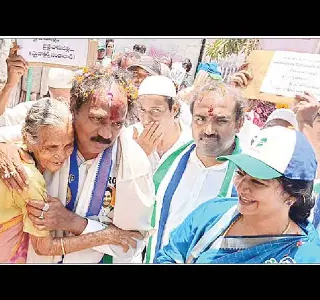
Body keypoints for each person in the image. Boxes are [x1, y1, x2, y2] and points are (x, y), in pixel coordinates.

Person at [0, 67, 156, 263]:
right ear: (74, 108)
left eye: (117, 124)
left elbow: (132, 242)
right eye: (97, 119)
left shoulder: (133, 164)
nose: (106, 134)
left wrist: (73, 222)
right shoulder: (53, 130)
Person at [155, 126, 320, 264]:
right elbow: (169, 255)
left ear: (292, 196)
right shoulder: (212, 213)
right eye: (240, 173)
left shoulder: (304, 256)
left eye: (258, 182)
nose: (242, 187)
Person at [143, 80, 246, 263]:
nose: (208, 130)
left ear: (239, 123)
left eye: (221, 120)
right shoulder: (170, 161)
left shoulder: (248, 179)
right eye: (200, 119)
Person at [0, 46, 75, 132]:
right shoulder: (34, 112)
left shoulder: (84, 122)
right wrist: (9, 84)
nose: (61, 108)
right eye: (58, 100)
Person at [126, 75, 192, 172]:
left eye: (156, 110)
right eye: (142, 110)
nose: (146, 120)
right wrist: (137, 154)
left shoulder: (190, 143)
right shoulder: (128, 137)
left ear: (174, 109)